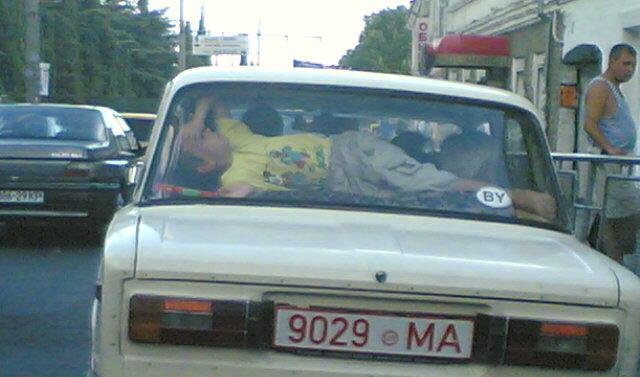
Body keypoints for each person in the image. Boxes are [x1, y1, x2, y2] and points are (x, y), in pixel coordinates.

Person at [177, 94, 556, 220]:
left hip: (351, 151)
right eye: (199, 138)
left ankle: (516, 197)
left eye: (205, 129)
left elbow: (212, 97)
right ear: (206, 165)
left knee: (429, 181)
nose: (206, 131)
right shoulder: (232, 182)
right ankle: (512, 211)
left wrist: (194, 119)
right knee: (418, 196)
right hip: (342, 188)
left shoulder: (236, 136)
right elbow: (236, 206)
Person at [584, 43, 640, 262]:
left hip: (621, 162)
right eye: (626, 64)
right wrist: (609, 148)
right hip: (608, 161)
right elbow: (590, 124)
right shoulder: (600, 87)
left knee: (614, 212)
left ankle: (611, 255)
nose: (630, 70)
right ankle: (609, 256)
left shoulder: (615, 89)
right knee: (619, 209)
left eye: (633, 65)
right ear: (612, 61)